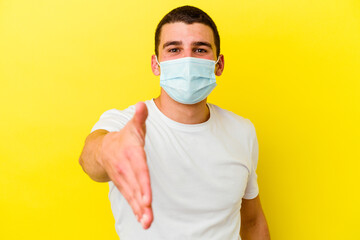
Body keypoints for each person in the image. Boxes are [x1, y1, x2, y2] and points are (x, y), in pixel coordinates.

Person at [79, 5, 270, 240]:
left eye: (200, 50)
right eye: (174, 49)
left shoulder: (242, 131)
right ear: (156, 64)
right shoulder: (126, 124)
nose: (187, 60)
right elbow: (91, 157)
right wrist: (108, 151)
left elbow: (252, 221)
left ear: (218, 65)